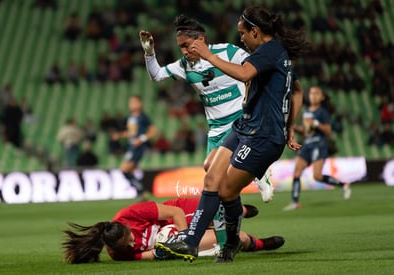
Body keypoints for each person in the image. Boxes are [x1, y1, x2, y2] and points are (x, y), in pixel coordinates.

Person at [155, 6, 309, 263]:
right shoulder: (264, 53)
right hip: (244, 126)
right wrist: (291, 126)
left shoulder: (270, 52)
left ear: (256, 32)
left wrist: (207, 55)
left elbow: (245, 74)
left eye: (243, 33)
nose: (241, 39)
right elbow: (297, 90)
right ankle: (191, 243)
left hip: (263, 136)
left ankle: (232, 241)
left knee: (226, 191)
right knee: (211, 178)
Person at [139, 15, 274, 204]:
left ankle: (257, 169)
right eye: (181, 47)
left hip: (239, 120)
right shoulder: (184, 66)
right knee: (215, 180)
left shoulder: (228, 52)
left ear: (201, 39)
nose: (184, 51)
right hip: (215, 128)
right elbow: (156, 75)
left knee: (211, 167)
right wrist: (149, 53)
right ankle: (238, 210)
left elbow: (257, 67)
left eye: (186, 45)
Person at [62, 197, 284, 263]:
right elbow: (148, 255)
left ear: (128, 227)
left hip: (178, 214)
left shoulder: (129, 214)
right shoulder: (117, 252)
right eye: (126, 246)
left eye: (130, 239)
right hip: (171, 238)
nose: (132, 245)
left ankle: (239, 210)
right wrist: (164, 251)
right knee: (237, 237)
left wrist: (183, 238)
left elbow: (175, 214)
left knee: (219, 212)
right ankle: (259, 244)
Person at [283, 86, 352, 211]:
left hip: (319, 144)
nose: (313, 96)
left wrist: (315, 123)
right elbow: (306, 131)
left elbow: (328, 131)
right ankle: (295, 202)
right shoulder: (306, 111)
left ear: (322, 97)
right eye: (311, 93)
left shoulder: (323, 112)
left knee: (317, 176)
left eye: (316, 93)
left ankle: (344, 185)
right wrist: (295, 129)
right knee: (297, 172)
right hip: (307, 144)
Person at [115, 95, 157, 200]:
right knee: (129, 171)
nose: (131, 104)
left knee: (124, 169)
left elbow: (152, 131)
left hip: (137, 148)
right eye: (130, 102)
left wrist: (141, 139)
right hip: (130, 147)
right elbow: (131, 133)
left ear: (139, 103)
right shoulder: (130, 117)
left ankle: (141, 190)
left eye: (134, 102)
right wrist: (119, 135)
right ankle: (141, 193)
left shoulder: (143, 117)